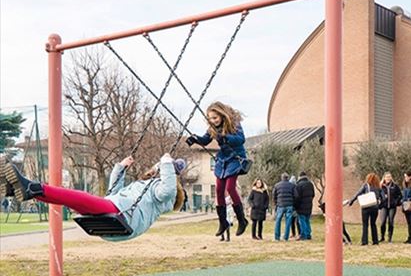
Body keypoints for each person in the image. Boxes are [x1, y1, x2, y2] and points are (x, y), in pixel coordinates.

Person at [0, 154, 185, 242]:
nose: (153, 171)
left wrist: (168, 164)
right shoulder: (140, 186)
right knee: (72, 199)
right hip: (115, 214)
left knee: (82, 197)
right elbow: (113, 192)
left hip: (125, 219)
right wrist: (120, 168)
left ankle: (30, 186)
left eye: (157, 170)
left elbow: (168, 190)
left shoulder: (163, 196)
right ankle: (21, 190)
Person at [186, 101, 249, 237]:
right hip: (223, 160)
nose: (213, 121)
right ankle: (223, 222)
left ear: (222, 115)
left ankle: (242, 220)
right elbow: (205, 140)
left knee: (231, 188)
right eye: (210, 118)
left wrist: (225, 138)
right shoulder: (212, 129)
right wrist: (194, 139)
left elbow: (241, 139)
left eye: (215, 118)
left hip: (235, 158)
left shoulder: (234, 123)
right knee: (219, 190)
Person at [348, 173, 383, 245]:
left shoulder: (365, 186)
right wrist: (379, 204)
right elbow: (384, 198)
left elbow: (358, 194)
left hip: (366, 207)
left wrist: (351, 201)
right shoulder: (378, 187)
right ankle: (375, 241)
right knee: (373, 224)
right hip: (374, 207)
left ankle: (364, 241)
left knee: (365, 224)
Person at [379, 172, 402, 243]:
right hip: (384, 206)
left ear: (391, 178)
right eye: (387, 177)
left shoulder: (395, 186)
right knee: (383, 222)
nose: (388, 178)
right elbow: (378, 194)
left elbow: (400, 195)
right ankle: (382, 237)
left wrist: (396, 202)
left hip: (392, 207)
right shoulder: (381, 186)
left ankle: (390, 238)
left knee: (391, 221)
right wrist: (380, 200)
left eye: (389, 177)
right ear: (384, 178)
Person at [272, 173, 295, 241]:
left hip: (280, 205)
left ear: (281, 178)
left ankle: (277, 237)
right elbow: (295, 195)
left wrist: (276, 203)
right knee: (288, 221)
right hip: (289, 205)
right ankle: (286, 237)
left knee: (278, 220)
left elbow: (274, 196)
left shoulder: (277, 185)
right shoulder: (292, 185)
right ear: (288, 178)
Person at [294, 172, 315, 240]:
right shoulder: (310, 184)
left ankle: (303, 235)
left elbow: (297, 197)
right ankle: (308, 234)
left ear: (299, 177)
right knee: (307, 220)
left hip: (301, 206)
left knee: (302, 221)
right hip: (309, 205)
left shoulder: (299, 185)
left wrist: (296, 206)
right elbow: (313, 194)